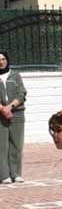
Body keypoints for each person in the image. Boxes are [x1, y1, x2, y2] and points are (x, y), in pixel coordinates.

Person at [0, 52, 26, 184]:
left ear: (7, 60)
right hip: (0, 116)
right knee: (2, 145)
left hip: (17, 113)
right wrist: (2, 109)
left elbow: (21, 93)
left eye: (3, 59)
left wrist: (10, 107)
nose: (1, 62)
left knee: (16, 144)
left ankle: (16, 174)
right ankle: (4, 175)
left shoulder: (15, 76)